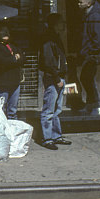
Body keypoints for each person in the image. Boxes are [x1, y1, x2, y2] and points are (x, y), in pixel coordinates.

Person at [39, 13, 70, 150]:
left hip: (58, 76)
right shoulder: (49, 38)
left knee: (57, 109)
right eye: (61, 22)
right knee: (49, 109)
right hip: (53, 78)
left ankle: (56, 135)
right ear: (55, 24)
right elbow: (49, 61)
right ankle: (47, 138)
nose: (63, 25)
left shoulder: (55, 37)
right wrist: (56, 78)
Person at [76, 0, 100, 116]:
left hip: (95, 54)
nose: (78, 4)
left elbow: (98, 37)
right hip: (91, 53)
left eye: (81, 2)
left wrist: (92, 51)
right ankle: (91, 105)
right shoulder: (89, 15)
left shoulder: (95, 16)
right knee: (86, 78)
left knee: (87, 78)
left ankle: (98, 104)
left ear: (88, 3)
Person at [0, 20, 25, 122]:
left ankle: (11, 134)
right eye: (2, 31)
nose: (5, 33)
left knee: (12, 112)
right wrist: (14, 58)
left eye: (7, 30)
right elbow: (1, 62)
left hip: (14, 83)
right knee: (0, 112)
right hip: (1, 84)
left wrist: (15, 59)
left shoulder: (13, 45)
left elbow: (22, 59)